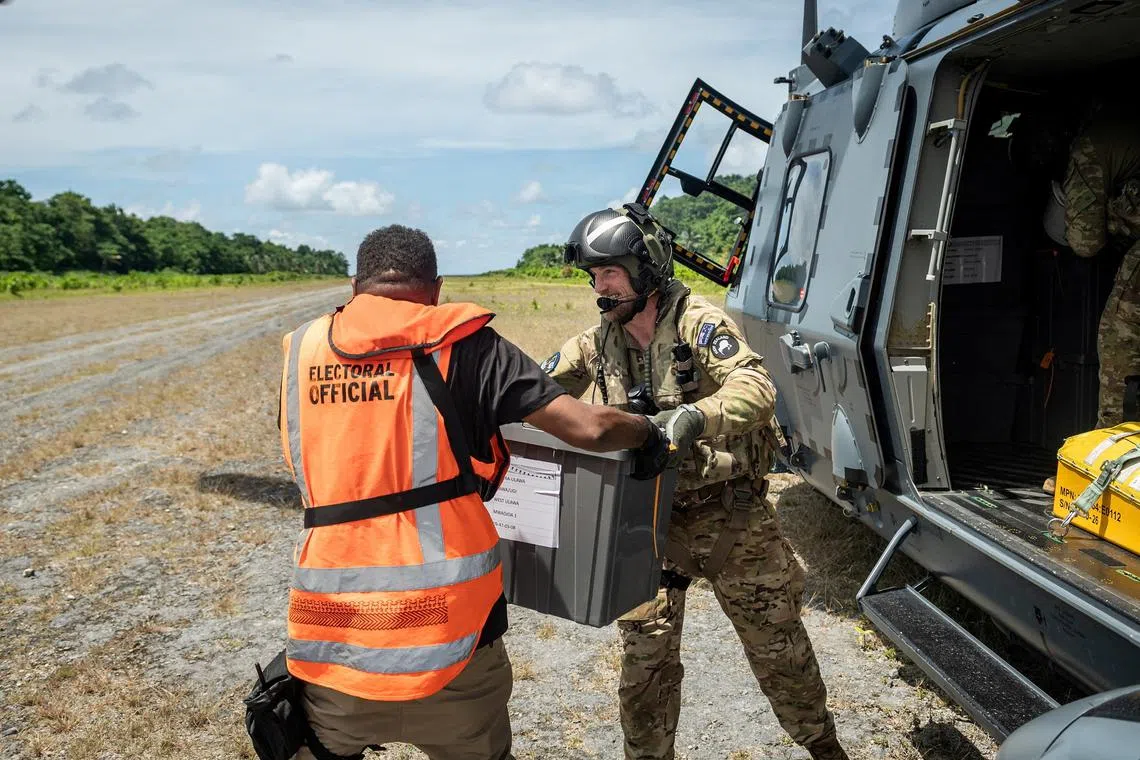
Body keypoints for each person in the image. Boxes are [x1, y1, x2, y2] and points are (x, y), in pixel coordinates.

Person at [276, 224, 670, 760]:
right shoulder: (462, 342)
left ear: (354, 287)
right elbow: (590, 429)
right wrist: (649, 431)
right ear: (436, 290)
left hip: (331, 640)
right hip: (451, 640)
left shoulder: (301, 352)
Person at [542, 203, 850, 760]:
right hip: (646, 520)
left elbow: (757, 388)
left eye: (610, 273)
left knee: (779, 650)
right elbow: (537, 386)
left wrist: (690, 418)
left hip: (728, 515)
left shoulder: (699, 323)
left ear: (646, 268)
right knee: (645, 666)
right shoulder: (599, 339)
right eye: (594, 276)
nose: (600, 288)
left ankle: (825, 748)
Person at [1060, 100, 1140, 429]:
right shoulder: (1125, 132)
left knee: (1120, 338)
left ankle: (1111, 448)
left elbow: (1085, 242)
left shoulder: (1091, 145)